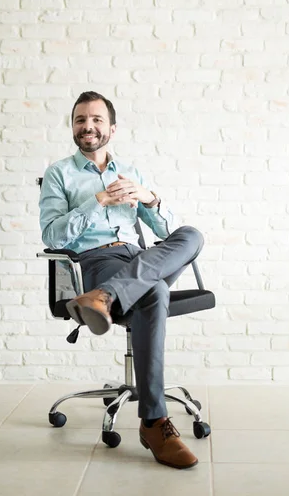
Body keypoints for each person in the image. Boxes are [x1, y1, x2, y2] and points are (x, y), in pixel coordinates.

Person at [39, 91, 204, 469]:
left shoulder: (131, 171)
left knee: (192, 234)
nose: (88, 126)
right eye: (80, 120)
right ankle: (154, 420)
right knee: (155, 291)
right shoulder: (59, 174)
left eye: (96, 119)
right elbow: (51, 237)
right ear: (73, 128)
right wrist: (96, 202)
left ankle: (106, 298)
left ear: (111, 128)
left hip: (140, 258)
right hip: (97, 261)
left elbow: (167, 230)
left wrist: (148, 199)